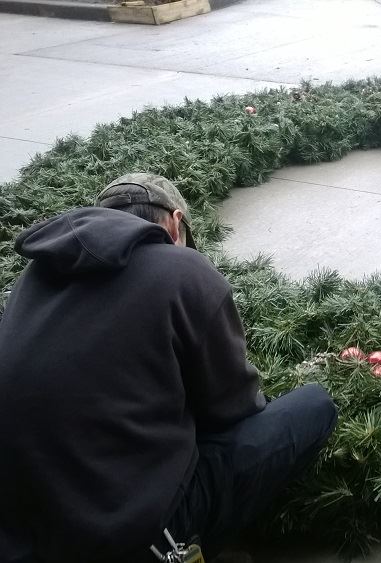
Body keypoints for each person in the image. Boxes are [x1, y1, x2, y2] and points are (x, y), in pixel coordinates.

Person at [0, 173, 338, 562]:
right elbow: (234, 409)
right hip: (131, 538)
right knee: (313, 406)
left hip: (20, 537)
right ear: (175, 222)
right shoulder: (182, 269)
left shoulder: (34, 276)